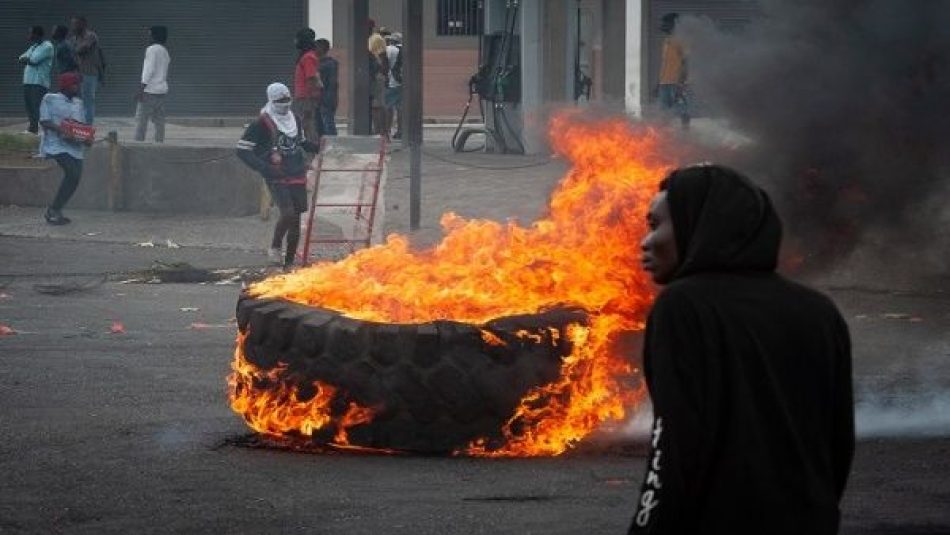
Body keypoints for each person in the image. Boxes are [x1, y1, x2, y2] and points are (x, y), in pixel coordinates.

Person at [630, 164, 854, 534]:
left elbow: (674, 443)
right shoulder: (818, 310)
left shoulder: (683, 306)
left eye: (656, 225)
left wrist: (647, 527)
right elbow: (837, 441)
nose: (645, 241)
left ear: (696, 226)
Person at [235, 83, 319, 271]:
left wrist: (321, 146)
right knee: (287, 213)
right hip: (277, 175)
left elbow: (302, 142)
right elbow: (242, 150)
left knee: (296, 220)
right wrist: (264, 167)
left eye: (287, 100)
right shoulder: (262, 123)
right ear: (272, 101)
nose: (285, 104)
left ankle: (289, 263)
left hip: (297, 172)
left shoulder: (295, 119)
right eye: (280, 101)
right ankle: (275, 247)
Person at [39, 72, 91, 225]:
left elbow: (81, 125)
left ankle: (55, 210)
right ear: (66, 86)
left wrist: (87, 137)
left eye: (78, 84)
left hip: (75, 146)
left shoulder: (78, 103)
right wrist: (62, 130)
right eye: (74, 84)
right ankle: (54, 210)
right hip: (56, 145)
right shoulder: (49, 99)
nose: (77, 87)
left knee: (75, 178)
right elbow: (45, 121)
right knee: (72, 173)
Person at [135, 26, 170, 143]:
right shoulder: (165, 51)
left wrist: (141, 88)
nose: (148, 37)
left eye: (150, 35)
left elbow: (148, 70)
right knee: (159, 121)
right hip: (161, 91)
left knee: (141, 120)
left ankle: (138, 143)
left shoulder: (151, 49)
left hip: (149, 91)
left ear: (155, 36)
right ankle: (159, 144)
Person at [67, 15, 104, 125]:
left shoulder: (91, 36)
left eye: (75, 24)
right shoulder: (74, 38)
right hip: (76, 75)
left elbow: (81, 49)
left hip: (89, 74)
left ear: (83, 24)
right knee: (76, 101)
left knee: (88, 101)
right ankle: (78, 125)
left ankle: (87, 128)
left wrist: (72, 48)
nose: (73, 27)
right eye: (72, 24)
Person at [18, 26, 54, 135]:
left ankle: (42, 129)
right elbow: (21, 58)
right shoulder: (34, 46)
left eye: (30, 33)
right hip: (28, 80)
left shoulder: (47, 46)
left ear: (37, 34)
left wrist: (28, 59)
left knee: (37, 106)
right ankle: (32, 128)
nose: (28, 35)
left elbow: (34, 60)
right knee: (29, 105)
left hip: (39, 81)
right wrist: (27, 59)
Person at [656, 13, 689, 128]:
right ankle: (665, 136)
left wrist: (682, 83)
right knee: (663, 112)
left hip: (677, 82)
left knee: (683, 110)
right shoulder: (666, 41)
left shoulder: (682, 40)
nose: (663, 26)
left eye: (666, 23)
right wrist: (658, 84)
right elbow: (665, 64)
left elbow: (687, 62)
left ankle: (686, 134)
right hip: (664, 83)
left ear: (674, 25)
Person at [293, 28, 322, 143]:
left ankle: (312, 149)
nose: (295, 41)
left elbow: (311, 78)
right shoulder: (307, 56)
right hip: (304, 97)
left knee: (307, 124)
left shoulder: (308, 57)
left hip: (305, 98)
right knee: (305, 124)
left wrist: (310, 99)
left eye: (297, 39)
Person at [315, 38, 338, 136]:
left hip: (326, 98)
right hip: (325, 97)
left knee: (327, 124)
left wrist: (327, 98)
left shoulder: (327, 64)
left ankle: (333, 145)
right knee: (323, 124)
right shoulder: (327, 63)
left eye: (316, 47)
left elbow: (332, 83)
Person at [368, 33, 389, 138]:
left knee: (377, 106)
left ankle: (381, 132)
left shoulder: (376, 40)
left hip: (376, 78)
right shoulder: (381, 54)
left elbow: (382, 60)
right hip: (376, 77)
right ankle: (381, 131)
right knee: (377, 106)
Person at [384, 32, 403, 140]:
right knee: (400, 108)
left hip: (391, 82)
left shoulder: (389, 49)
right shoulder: (403, 49)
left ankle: (387, 131)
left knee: (388, 107)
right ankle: (400, 131)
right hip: (402, 82)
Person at [49, 25, 77, 90]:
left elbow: (72, 60)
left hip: (66, 76)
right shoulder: (61, 44)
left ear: (59, 33)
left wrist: (67, 75)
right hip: (64, 75)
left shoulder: (64, 46)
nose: (52, 32)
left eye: (54, 30)